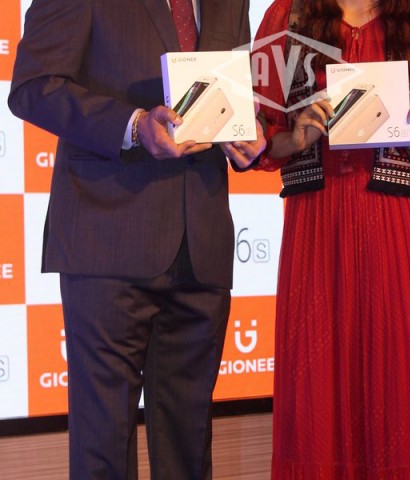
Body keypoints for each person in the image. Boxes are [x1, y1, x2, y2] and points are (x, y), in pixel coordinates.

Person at [8, 0, 264, 478]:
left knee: (189, 451)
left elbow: (233, 93)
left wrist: (251, 132)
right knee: (103, 450)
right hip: (105, 238)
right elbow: (33, 87)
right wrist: (132, 125)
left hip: (201, 243)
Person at [253, 0, 410, 477]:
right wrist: (297, 137)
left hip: (398, 228)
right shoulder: (285, 17)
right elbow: (260, 139)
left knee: (403, 386)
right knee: (317, 390)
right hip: (317, 227)